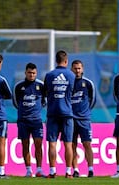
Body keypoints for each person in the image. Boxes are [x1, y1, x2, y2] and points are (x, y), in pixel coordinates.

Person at [44, 50, 75, 178]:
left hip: (52, 113)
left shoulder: (49, 75)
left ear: (56, 61)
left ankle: (52, 172)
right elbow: (72, 91)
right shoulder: (71, 75)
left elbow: (46, 92)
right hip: (67, 113)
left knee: (52, 143)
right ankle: (68, 172)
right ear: (66, 61)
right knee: (68, 144)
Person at [12, 62, 46, 177]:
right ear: (25, 73)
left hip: (36, 121)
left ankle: (39, 169)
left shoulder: (41, 86)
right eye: (29, 73)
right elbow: (16, 102)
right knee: (25, 145)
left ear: (36, 73)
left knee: (38, 144)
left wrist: (36, 110)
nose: (31, 75)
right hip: (23, 120)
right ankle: (28, 170)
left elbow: (44, 101)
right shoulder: (19, 86)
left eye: (34, 73)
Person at [70, 60, 96, 178]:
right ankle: (75, 170)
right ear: (71, 69)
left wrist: (85, 112)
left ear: (83, 69)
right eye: (75, 68)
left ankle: (90, 170)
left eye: (79, 68)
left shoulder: (88, 83)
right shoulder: (68, 83)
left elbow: (93, 100)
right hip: (70, 119)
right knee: (72, 145)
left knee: (87, 144)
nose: (77, 71)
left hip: (84, 119)